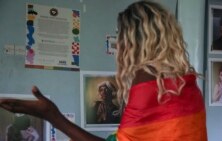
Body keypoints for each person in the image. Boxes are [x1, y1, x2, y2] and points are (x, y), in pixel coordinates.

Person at [0, 1, 207, 141]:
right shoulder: (186, 81)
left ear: (132, 40)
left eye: (120, 34)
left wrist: (52, 116)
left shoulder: (145, 80)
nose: (118, 42)